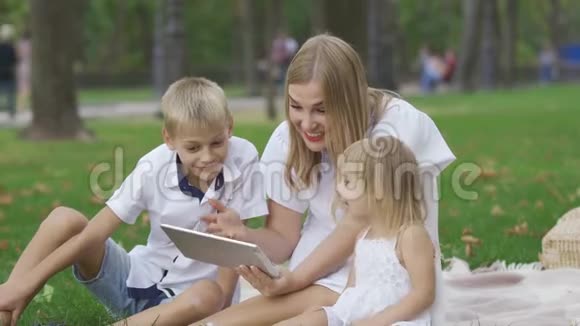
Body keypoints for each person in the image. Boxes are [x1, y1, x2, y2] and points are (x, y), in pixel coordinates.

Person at [195, 34, 455, 325]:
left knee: (310, 305)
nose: (307, 123)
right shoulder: (288, 139)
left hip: (387, 275)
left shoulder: (394, 130)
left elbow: (359, 223)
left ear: (350, 101)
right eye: (296, 106)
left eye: (321, 109)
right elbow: (283, 237)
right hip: (315, 269)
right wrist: (245, 237)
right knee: (230, 321)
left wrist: (293, 280)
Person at [0, 77, 268, 325]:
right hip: (133, 280)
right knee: (64, 219)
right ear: (169, 139)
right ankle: (7, 303)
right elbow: (92, 236)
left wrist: (221, 315)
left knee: (209, 294)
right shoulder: (152, 166)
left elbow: (232, 251)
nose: (207, 156)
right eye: (193, 147)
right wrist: (27, 284)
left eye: (217, 143)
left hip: (191, 304)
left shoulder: (243, 157)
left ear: (229, 127)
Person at [276, 136, 434, 325]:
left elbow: (423, 294)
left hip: (393, 320)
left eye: (348, 182)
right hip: (353, 316)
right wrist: (329, 314)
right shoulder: (363, 236)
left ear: (379, 189)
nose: (339, 189)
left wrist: (378, 321)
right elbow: (351, 290)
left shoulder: (410, 235)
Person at [0, 24, 17, 119]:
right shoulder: (11, 48)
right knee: (11, 92)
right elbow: (15, 61)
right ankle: (11, 111)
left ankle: (10, 110)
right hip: (9, 72)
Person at [16, 29, 31, 111]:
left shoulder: (20, 44)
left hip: (22, 66)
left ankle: (21, 106)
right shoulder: (33, 44)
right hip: (31, 65)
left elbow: (17, 56)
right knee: (31, 86)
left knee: (22, 87)